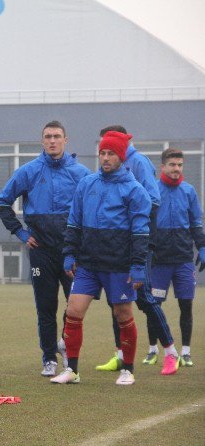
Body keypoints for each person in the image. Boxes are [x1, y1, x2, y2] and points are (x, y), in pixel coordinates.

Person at [52, 130, 151, 386]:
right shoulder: (87, 184)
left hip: (119, 265)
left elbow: (141, 232)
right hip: (88, 264)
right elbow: (74, 222)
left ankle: (127, 369)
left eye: (111, 154)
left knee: (123, 314)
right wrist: (69, 254)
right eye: (103, 153)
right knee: (73, 310)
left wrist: (138, 266)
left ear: (121, 157)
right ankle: (71, 370)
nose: (105, 158)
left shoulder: (135, 191)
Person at [0, 121, 90, 377]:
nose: (52, 141)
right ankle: (49, 357)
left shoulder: (81, 174)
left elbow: (91, 210)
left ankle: (68, 349)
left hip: (72, 252)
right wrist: (21, 232)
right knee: (46, 307)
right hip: (41, 251)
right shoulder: (29, 171)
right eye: (48, 137)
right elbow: (2, 201)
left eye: (57, 136)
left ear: (65, 140)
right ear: (42, 141)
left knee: (74, 307)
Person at [94, 126, 180, 376]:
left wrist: (130, 214)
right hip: (115, 243)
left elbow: (153, 200)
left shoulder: (138, 162)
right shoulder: (106, 170)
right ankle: (121, 355)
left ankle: (171, 352)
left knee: (143, 297)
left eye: (109, 144)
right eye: (102, 146)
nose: (105, 151)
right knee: (116, 298)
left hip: (139, 241)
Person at [148, 148, 204, 367]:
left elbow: (196, 224)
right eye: (172, 165)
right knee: (154, 306)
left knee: (186, 305)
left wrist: (202, 246)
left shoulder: (189, 191)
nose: (176, 169)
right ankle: (153, 349)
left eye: (180, 165)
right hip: (159, 261)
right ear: (163, 167)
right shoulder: (153, 190)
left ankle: (186, 352)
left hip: (182, 259)